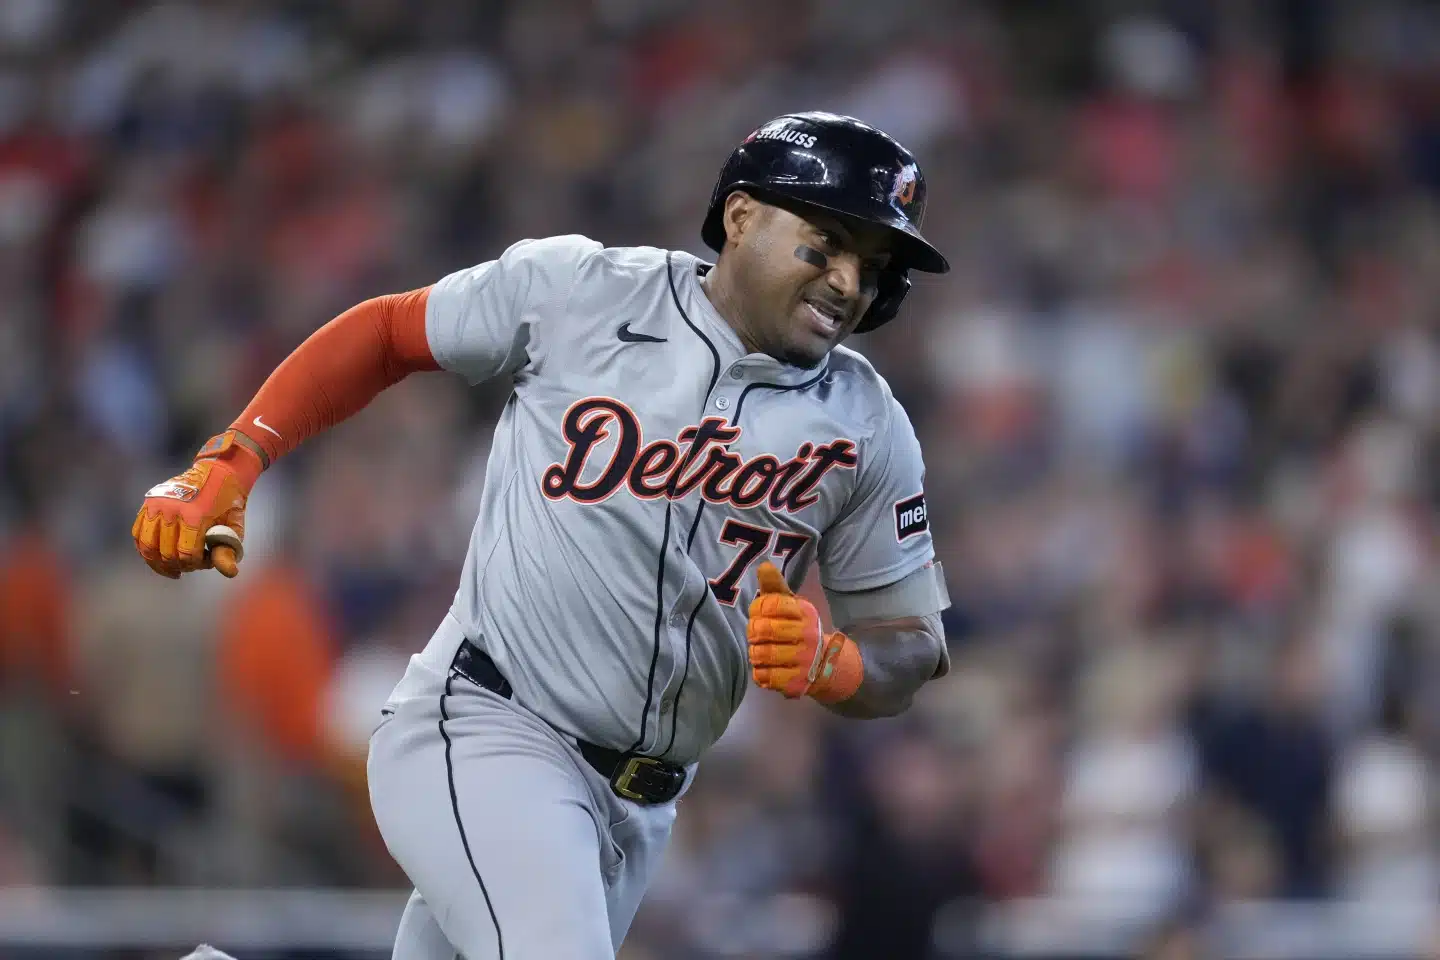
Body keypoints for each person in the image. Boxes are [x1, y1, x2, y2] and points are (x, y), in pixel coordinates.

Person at [133, 112, 954, 960]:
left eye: (873, 265)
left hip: (642, 806)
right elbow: (386, 333)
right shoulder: (585, 292)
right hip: (493, 728)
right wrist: (236, 454)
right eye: (826, 243)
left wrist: (842, 664)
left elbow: (912, 645)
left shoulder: (868, 423)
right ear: (741, 217)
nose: (848, 281)